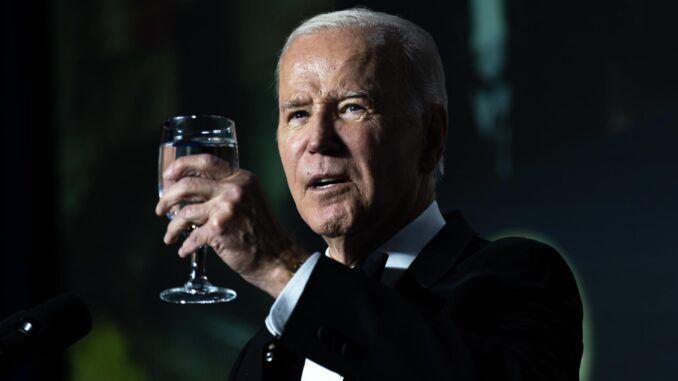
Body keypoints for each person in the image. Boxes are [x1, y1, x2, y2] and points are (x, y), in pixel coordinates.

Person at [155, 8, 583, 381]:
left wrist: (282, 268)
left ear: (431, 136)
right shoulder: (262, 351)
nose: (318, 140)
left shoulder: (517, 278)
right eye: (298, 114)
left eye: (352, 107)